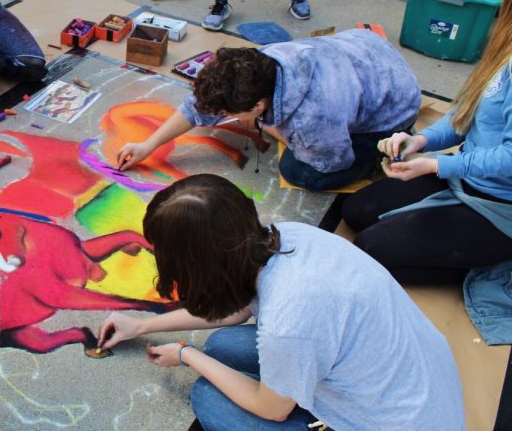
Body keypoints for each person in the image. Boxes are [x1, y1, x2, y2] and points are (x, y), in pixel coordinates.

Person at [98, 174, 464, 430]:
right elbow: (236, 306)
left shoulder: (288, 323)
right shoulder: (288, 236)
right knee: (223, 345)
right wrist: (143, 325)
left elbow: (270, 410)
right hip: (413, 389)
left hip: (388, 421)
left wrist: (186, 355)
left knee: (209, 396)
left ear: (199, 263)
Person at [344, 0, 512, 288]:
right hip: (466, 177)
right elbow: (465, 114)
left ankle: (482, 264)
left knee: (368, 252)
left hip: (500, 206)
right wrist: (420, 141)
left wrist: (436, 166)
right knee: (356, 212)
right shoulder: (504, 50)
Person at [117, 29, 421, 191]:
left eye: (230, 114)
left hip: (396, 105)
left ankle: (391, 145)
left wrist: (270, 128)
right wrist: (148, 145)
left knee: (299, 172)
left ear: (259, 106)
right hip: (368, 53)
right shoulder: (257, 62)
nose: (222, 119)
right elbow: (198, 109)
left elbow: (335, 162)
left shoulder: (311, 120)